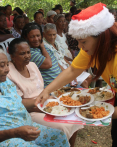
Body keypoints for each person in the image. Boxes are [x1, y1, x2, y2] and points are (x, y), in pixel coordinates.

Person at [35, 3, 117, 147]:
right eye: (78, 42)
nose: (80, 47)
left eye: (83, 42)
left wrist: (106, 112)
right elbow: (72, 71)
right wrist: (47, 91)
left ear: (102, 37)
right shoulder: (92, 49)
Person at [0, 42, 69, 147]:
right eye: (2, 65)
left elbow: (17, 102)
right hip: (6, 137)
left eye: (7, 64)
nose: (7, 69)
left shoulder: (3, 81)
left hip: (26, 126)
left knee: (59, 136)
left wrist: (48, 102)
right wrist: (16, 132)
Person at [7, 38, 82, 147]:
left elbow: (42, 89)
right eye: (22, 53)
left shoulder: (32, 65)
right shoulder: (9, 73)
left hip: (47, 103)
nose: (27, 56)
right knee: (63, 126)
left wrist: (53, 104)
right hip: (30, 111)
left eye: (28, 52)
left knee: (74, 118)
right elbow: (19, 102)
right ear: (12, 56)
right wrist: (49, 110)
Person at [43, 23, 92, 88]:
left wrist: (72, 67)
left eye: (54, 34)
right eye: (49, 35)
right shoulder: (44, 46)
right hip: (60, 71)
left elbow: (63, 58)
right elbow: (55, 63)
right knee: (84, 83)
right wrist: (68, 74)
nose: (52, 37)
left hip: (66, 68)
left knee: (89, 77)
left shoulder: (56, 43)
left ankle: (84, 92)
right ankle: (84, 93)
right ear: (44, 34)